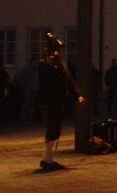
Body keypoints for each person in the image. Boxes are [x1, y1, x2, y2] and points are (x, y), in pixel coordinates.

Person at [37, 33, 84, 171]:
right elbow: (45, 83)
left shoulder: (59, 64)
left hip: (58, 99)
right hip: (51, 100)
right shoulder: (45, 64)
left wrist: (77, 95)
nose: (58, 52)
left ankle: (48, 158)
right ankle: (47, 159)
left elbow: (69, 80)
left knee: (55, 128)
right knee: (52, 128)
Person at [16, 57, 40, 121]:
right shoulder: (26, 68)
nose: (36, 63)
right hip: (28, 88)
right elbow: (19, 76)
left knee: (32, 103)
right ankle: (23, 116)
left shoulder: (37, 69)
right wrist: (23, 85)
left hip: (34, 87)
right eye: (35, 62)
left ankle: (31, 117)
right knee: (27, 102)